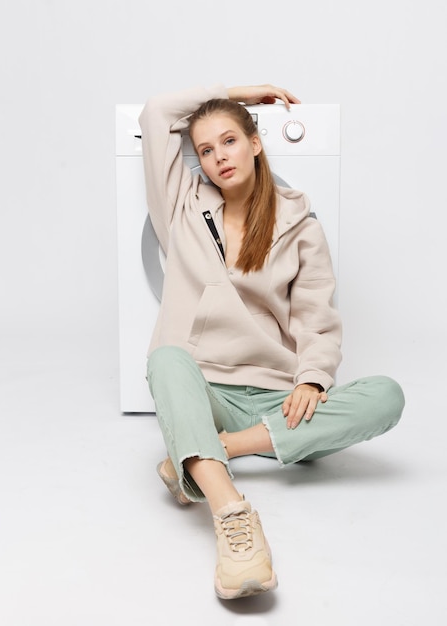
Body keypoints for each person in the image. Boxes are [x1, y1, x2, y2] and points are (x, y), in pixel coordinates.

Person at [138, 84, 405, 600]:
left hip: (273, 399)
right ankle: (233, 518)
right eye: (207, 150)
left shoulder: (300, 224)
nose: (219, 158)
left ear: (255, 143)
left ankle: (203, 453)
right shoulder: (180, 206)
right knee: (166, 358)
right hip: (206, 391)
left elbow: (315, 317)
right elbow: (155, 111)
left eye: (230, 141)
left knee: (387, 395)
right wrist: (240, 93)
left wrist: (311, 377)